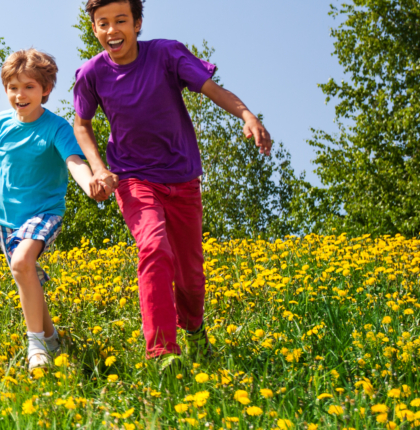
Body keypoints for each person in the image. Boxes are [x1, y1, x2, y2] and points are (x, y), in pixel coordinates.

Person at [74, 0, 273, 362]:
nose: (112, 30)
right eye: (103, 23)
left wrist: (246, 115)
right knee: (153, 248)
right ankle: (162, 352)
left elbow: (212, 89)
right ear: (95, 30)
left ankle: (195, 329)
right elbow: (81, 125)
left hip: (182, 179)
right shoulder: (92, 74)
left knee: (191, 279)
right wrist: (99, 168)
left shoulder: (166, 54)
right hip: (133, 178)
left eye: (121, 20)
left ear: (137, 24)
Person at [0, 48, 103, 370]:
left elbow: (74, 160)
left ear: (45, 89)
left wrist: (90, 184)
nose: (20, 94)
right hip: (3, 218)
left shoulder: (57, 128)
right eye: (13, 87)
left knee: (21, 263)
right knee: (25, 273)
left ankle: (36, 346)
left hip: (43, 212)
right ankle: (54, 338)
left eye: (29, 86)